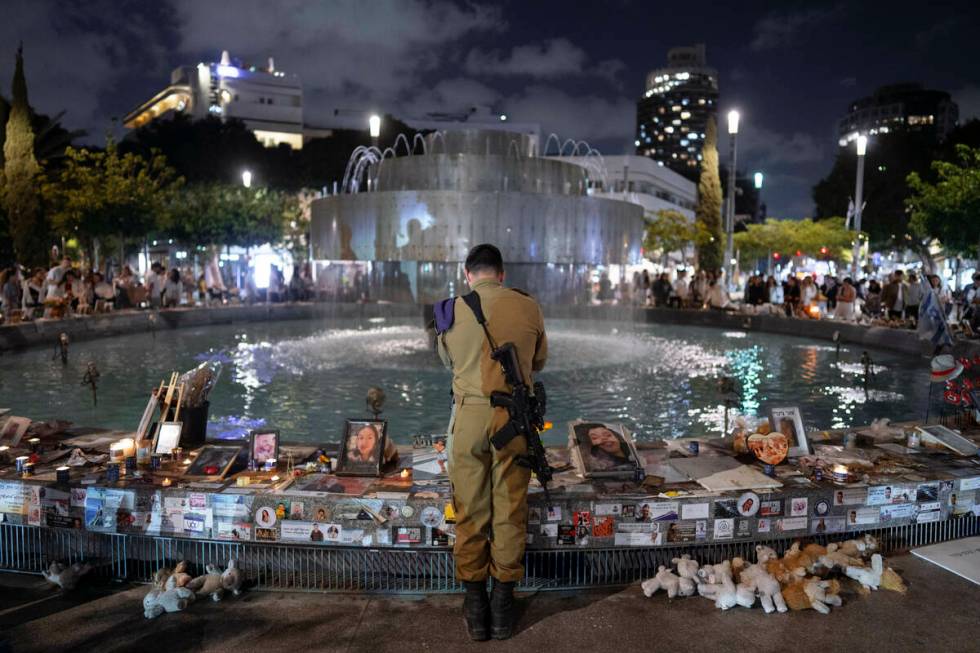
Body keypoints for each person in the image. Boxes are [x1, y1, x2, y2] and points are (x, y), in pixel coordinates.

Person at [435, 243, 547, 641]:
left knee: (469, 511)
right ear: (501, 273)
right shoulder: (528, 306)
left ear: (468, 274)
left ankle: (474, 607)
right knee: (510, 510)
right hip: (512, 422)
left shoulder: (451, 309)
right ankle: (502, 605)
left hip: (468, 420)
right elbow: (538, 361)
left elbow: (447, 362)